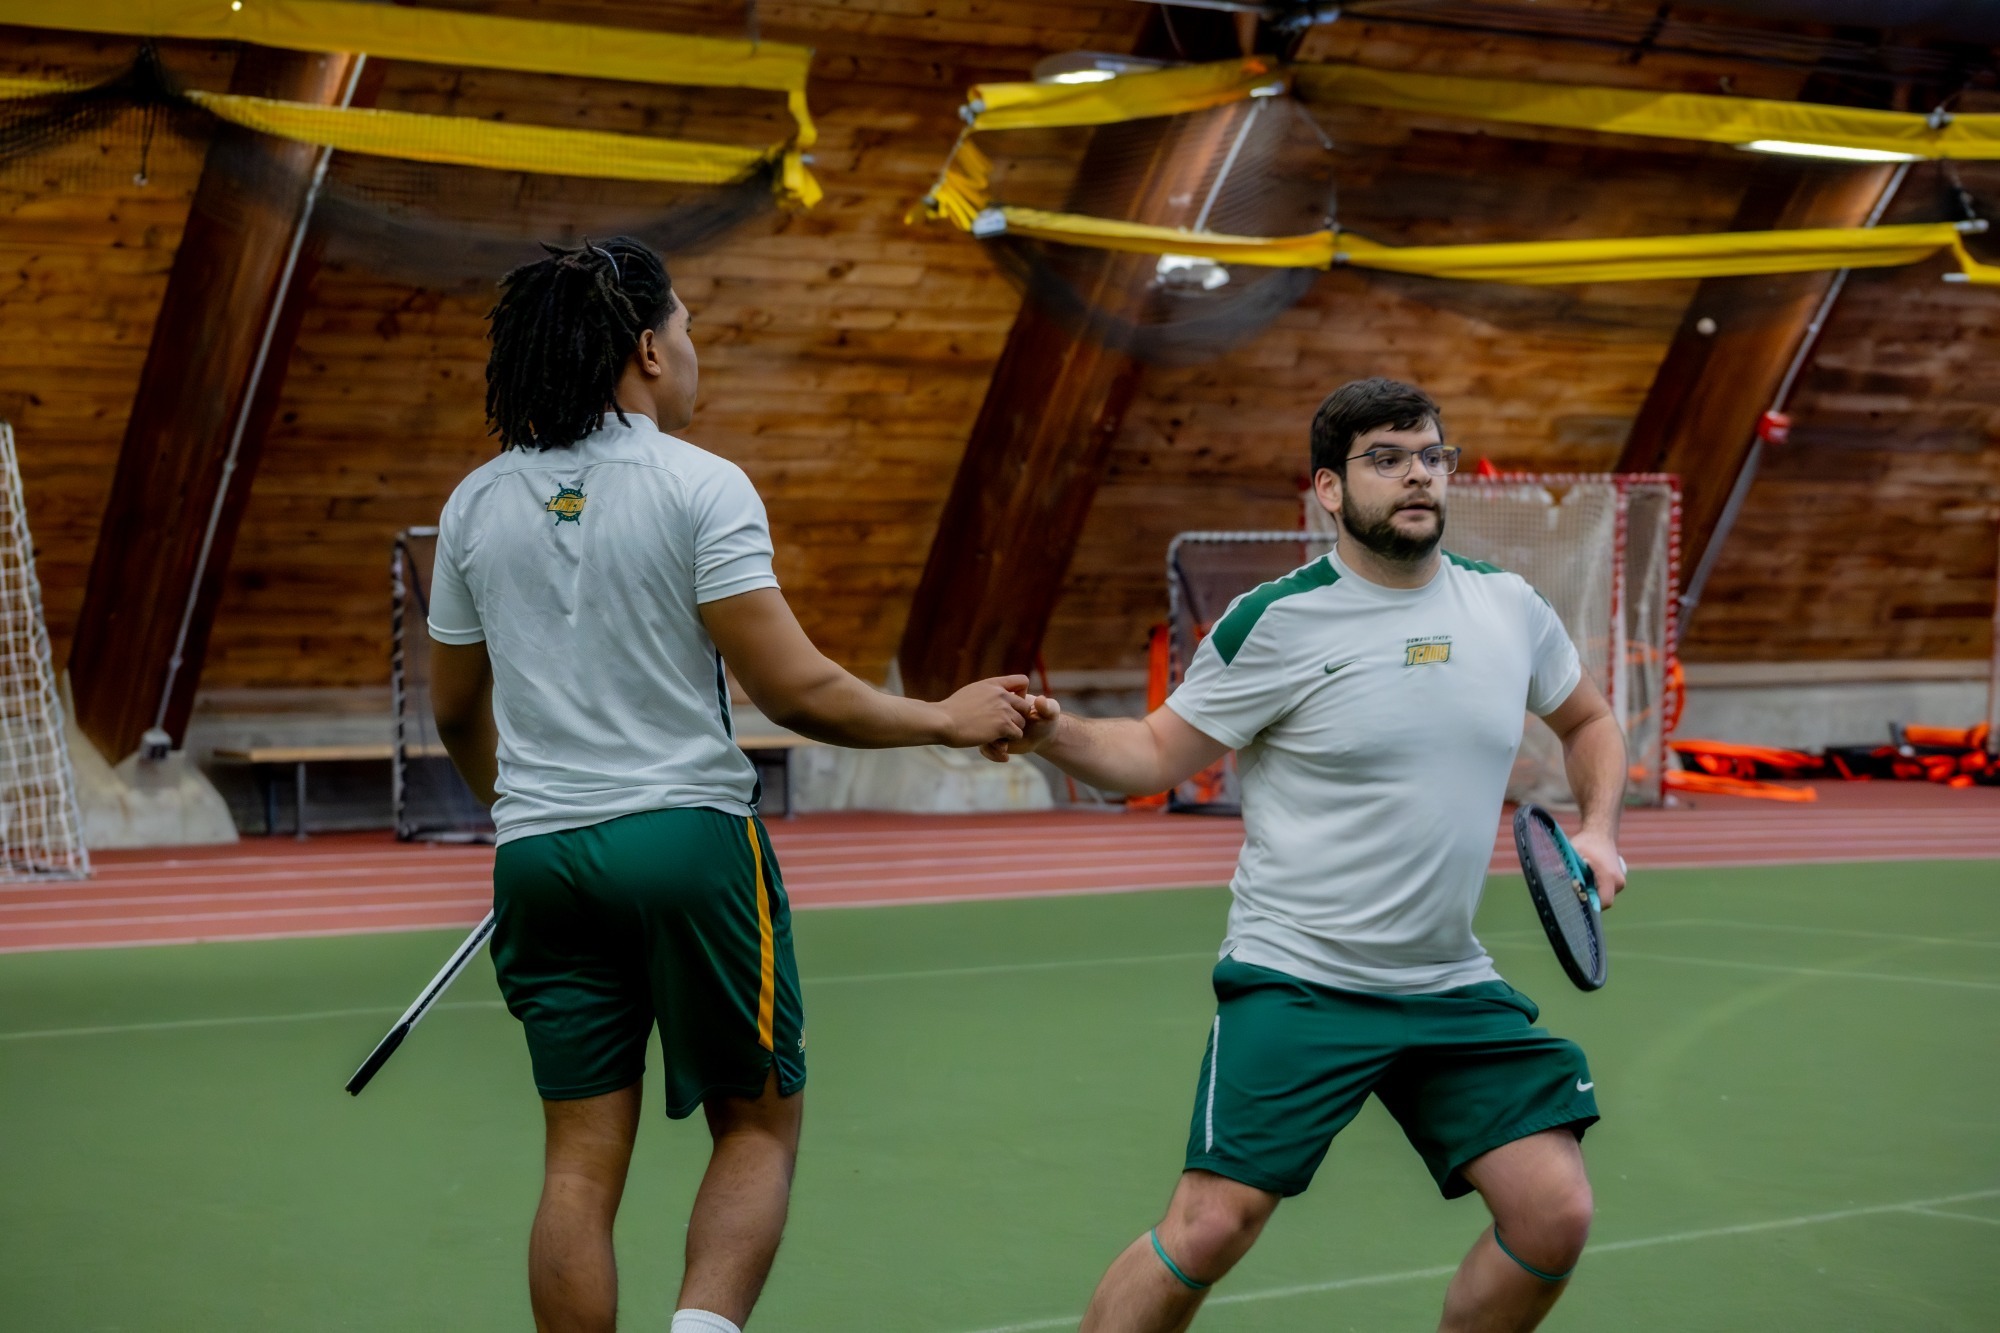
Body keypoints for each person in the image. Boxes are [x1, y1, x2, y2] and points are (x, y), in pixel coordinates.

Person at [424, 236, 1034, 1333]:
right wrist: (945, 718)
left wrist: (519, 814)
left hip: (539, 861)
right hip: (687, 844)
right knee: (756, 1127)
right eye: (689, 327)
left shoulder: (473, 504)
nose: (694, 347)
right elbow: (793, 689)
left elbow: (458, 711)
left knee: (576, 1164)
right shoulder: (699, 484)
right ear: (649, 349)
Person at [1007, 377, 1629, 1333]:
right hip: (1300, 977)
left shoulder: (1508, 606)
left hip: (1445, 980)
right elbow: (1153, 753)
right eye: (1387, 458)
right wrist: (1053, 732)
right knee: (1211, 1225)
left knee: (1555, 1212)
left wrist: (1598, 828)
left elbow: (1588, 719)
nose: (1417, 475)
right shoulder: (1278, 619)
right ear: (1329, 488)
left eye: (1432, 456)